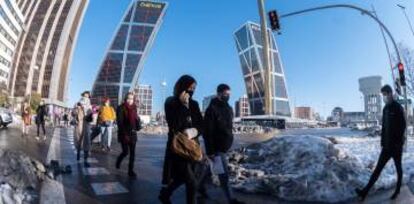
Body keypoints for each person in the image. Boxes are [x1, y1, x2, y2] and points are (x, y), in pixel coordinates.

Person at [355, 85, 406, 201]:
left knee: (399, 168)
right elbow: (384, 128)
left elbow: (403, 127)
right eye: (382, 95)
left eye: (385, 94)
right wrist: (383, 142)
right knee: (377, 169)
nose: (384, 97)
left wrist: (399, 143)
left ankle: (397, 190)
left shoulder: (398, 108)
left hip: (396, 147)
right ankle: (364, 192)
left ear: (390, 93)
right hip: (386, 147)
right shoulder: (385, 109)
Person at [158, 75, 203, 204]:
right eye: (190, 87)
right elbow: (174, 124)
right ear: (182, 87)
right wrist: (183, 107)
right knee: (192, 182)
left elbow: (200, 124)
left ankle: (165, 194)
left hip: (192, 146)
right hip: (177, 148)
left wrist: (194, 131)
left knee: (182, 178)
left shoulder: (194, 104)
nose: (192, 90)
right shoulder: (171, 102)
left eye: (194, 88)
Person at [202, 84, 244, 204]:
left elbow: (229, 128)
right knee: (223, 174)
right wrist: (210, 151)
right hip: (216, 147)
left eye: (229, 94)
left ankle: (199, 186)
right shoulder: (211, 110)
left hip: (225, 146)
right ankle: (231, 199)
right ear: (219, 94)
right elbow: (207, 132)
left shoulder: (229, 109)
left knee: (211, 170)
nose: (228, 96)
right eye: (225, 94)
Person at [115, 92, 141, 178]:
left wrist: (138, 122)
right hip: (124, 133)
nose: (130, 100)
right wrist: (124, 134)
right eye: (128, 98)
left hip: (133, 133)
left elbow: (135, 120)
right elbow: (120, 123)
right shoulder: (120, 108)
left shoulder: (134, 108)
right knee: (126, 152)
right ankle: (118, 161)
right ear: (125, 98)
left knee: (133, 153)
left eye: (132, 99)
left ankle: (130, 171)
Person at [79, 91, 93, 167]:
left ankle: (85, 158)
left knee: (86, 139)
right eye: (85, 94)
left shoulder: (89, 103)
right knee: (84, 138)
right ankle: (84, 157)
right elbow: (78, 111)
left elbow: (90, 112)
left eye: (88, 95)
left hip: (87, 122)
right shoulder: (81, 102)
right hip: (82, 121)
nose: (87, 96)